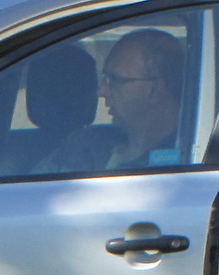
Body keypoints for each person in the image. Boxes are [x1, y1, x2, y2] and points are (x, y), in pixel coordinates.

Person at [47, 28, 188, 171]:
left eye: (114, 80)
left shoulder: (186, 160)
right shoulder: (83, 145)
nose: (101, 91)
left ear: (154, 90)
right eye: (104, 78)